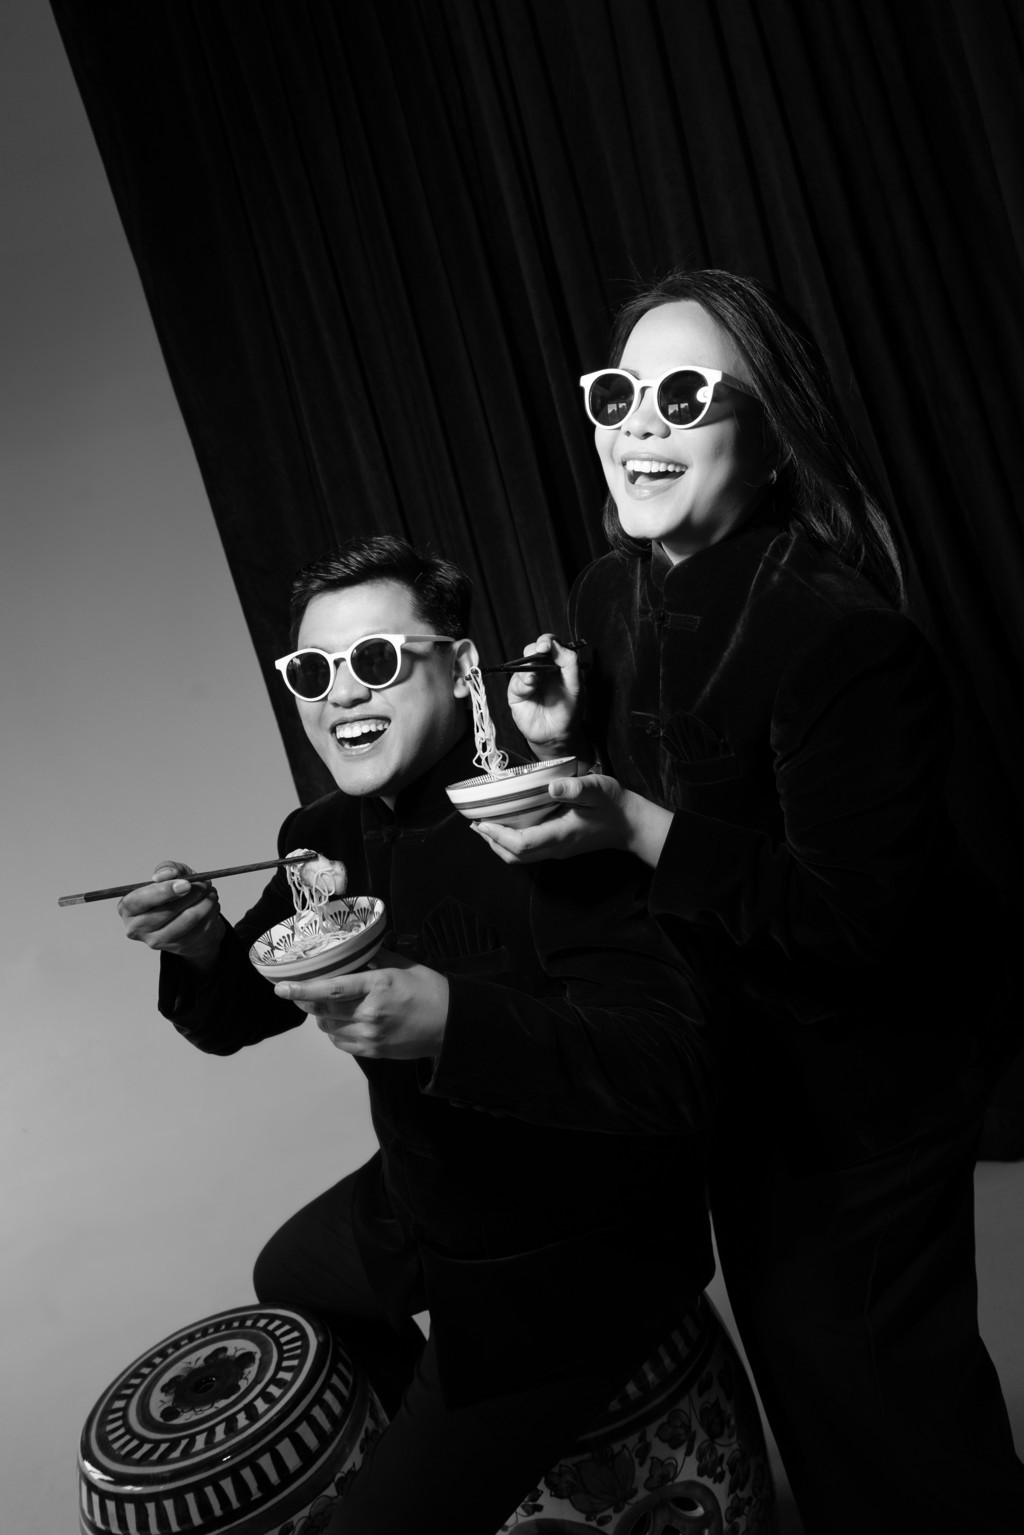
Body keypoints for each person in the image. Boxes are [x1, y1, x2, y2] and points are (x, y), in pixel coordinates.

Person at [476, 269, 1024, 1534]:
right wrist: (562, 745)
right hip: (735, 1072)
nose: (640, 423)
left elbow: (850, 922)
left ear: (772, 437)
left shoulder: (844, 636)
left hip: (866, 1092)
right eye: (617, 394)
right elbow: (652, 801)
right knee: (813, 1394)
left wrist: (626, 817)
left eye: (685, 394)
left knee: (892, 1404)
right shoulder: (607, 592)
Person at [118, 535, 720, 1534]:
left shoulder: (549, 808)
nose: (342, 693)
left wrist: (450, 1020)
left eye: (374, 659)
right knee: (289, 1270)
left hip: (570, 1248)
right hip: (426, 1194)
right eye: (312, 671)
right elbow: (235, 1016)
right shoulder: (322, 835)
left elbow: (674, 1069)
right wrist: (200, 945)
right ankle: (436, 1444)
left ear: (461, 664)